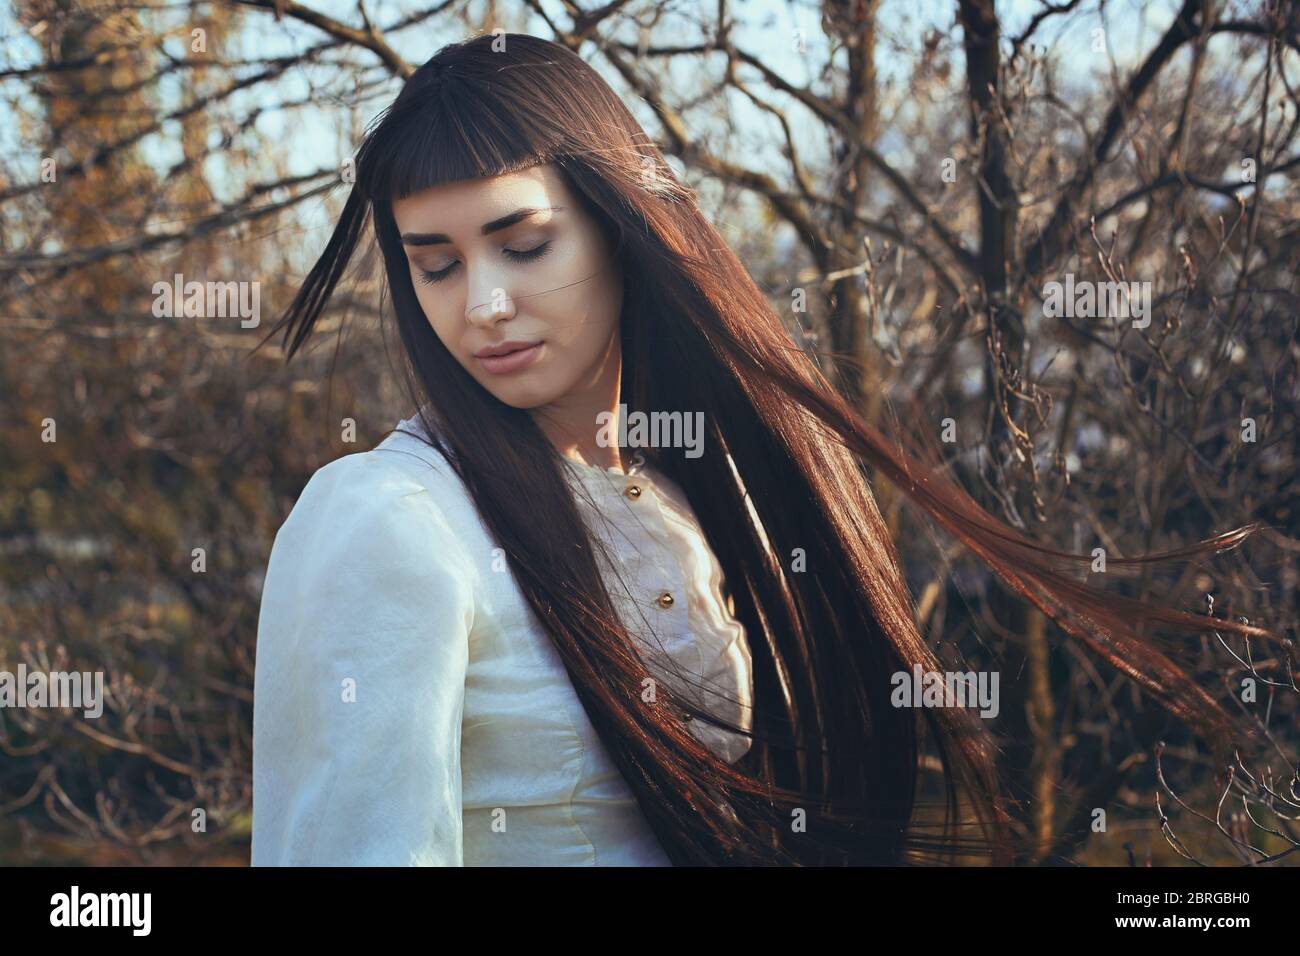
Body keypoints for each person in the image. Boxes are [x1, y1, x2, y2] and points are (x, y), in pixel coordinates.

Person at [251, 32, 1271, 866]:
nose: (483, 305)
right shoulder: (389, 519)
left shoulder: (678, 499)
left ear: (618, 225)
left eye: (524, 246)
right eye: (435, 265)